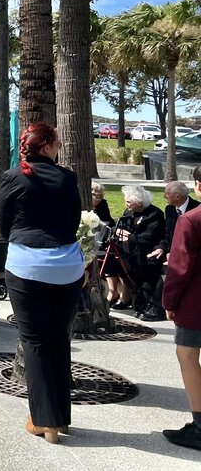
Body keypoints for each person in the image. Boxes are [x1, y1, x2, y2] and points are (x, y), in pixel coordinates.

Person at [0, 122, 83, 444]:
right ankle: (60, 417)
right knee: (58, 339)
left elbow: (4, 225)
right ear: (46, 146)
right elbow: (73, 221)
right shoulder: (67, 177)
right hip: (67, 266)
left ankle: (45, 423)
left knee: (34, 342)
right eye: (57, 142)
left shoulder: (13, 176)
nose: (59, 146)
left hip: (27, 266)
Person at [162, 165, 201, 451]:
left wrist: (169, 302)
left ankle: (200, 425)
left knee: (187, 355)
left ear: (198, 185)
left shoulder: (190, 220)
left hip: (195, 303)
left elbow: (179, 268)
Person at [144, 180, 201, 322]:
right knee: (149, 261)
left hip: (184, 254)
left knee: (167, 270)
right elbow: (168, 235)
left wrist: (173, 254)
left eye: (167, 194)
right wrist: (161, 248)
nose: (164, 196)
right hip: (171, 250)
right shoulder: (170, 210)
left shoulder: (195, 211)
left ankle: (158, 307)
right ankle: (145, 301)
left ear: (177, 196)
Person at [112, 184, 165, 315]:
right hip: (128, 252)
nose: (126, 204)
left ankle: (145, 304)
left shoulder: (154, 213)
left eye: (129, 202)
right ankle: (127, 298)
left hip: (147, 252)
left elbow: (150, 237)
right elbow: (120, 227)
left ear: (139, 201)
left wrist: (129, 237)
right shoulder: (128, 212)